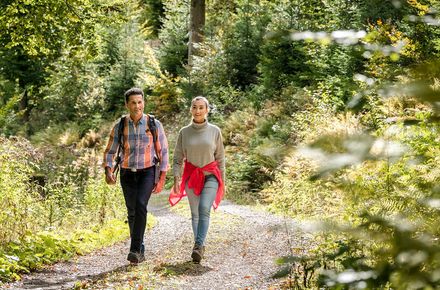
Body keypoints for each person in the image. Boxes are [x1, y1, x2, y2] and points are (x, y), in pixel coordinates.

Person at [103, 87, 169, 264]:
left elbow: (163, 152)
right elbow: (110, 151)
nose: (137, 106)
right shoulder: (120, 125)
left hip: (148, 172)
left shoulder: (153, 124)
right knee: (132, 211)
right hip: (126, 173)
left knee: (140, 206)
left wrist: (161, 178)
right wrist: (108, 170)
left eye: (140, 102)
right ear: (127, 105)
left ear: (144, 103)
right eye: (133, 102)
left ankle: (134, 249)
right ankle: (140, 248)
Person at [169, 96, 225, 263]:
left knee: (203, 208)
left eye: (201, 107)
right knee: (194, 214)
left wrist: (224, 180)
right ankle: (199, 246)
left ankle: (198, 245)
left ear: (207, 110)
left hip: (211, 175)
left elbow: (221, 157)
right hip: (191, 175)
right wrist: (176, 179)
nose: (198, 110)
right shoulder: (184, 132)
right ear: (191, 110)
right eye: (195, 107)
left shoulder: (215, 131)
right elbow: (177, 158)